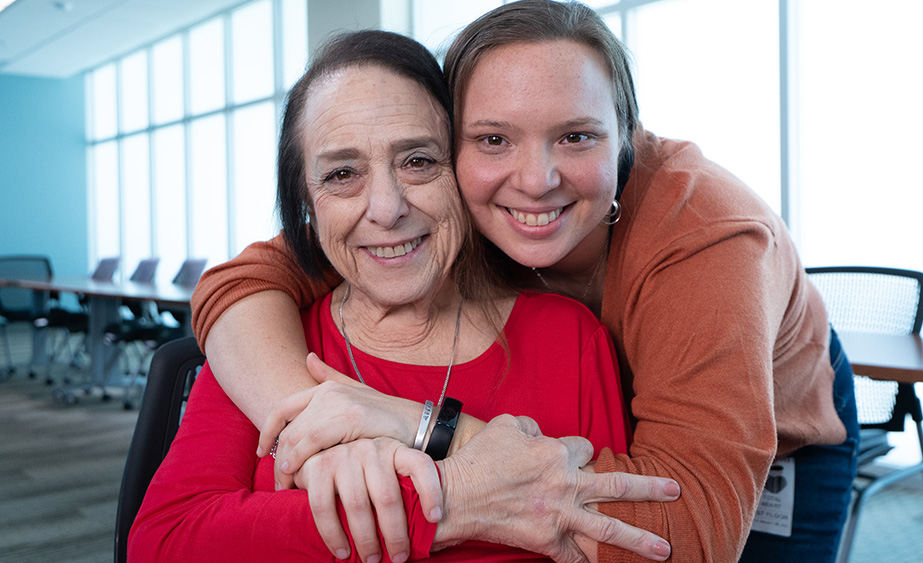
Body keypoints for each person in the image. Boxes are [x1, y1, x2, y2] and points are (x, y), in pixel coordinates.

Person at [191, 1, 859, 561]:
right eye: (492, 139)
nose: (535, 179)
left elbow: (690, 536)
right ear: (449, 141)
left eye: (575, 136)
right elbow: (252, 276)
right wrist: (309, 424)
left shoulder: (708, 239)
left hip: (771, 417)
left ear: (623, 137)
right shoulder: (439, 196)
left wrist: (412, 423)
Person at [128, 29, 679, 563]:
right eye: (343, 174)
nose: (387, 208)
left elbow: (611, 541)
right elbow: (163, 544)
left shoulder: (568, 337)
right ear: (306, 202)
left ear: (464, 170)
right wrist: (451, 502)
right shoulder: (269, 343)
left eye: (418, 161)